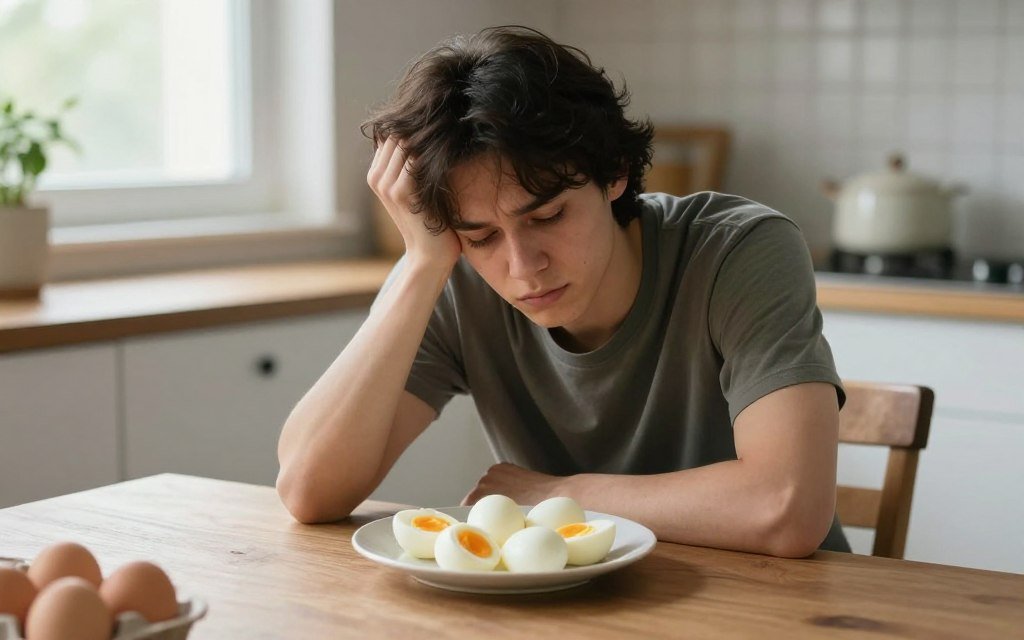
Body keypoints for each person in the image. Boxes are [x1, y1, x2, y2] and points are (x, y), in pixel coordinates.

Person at [276, 25, 850, 557]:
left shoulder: (738, 251)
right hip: (572, 608)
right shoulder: (454, 277)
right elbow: (307, 490)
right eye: (481, 236)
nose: (523, 267)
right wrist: (421, 264)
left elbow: (786, 507)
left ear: (614, 172)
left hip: (773, 602)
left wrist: (556, 494)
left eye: (547, 216)